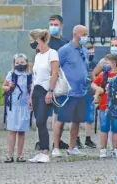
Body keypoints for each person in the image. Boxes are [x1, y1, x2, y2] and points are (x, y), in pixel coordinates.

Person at [52, 25, 89, 157]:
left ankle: (72, 147)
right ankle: (55, 147)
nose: (85, 37)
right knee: (61, 120)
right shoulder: (65, 50)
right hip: (67, 92)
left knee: (77, 121)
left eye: (86, 34)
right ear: (75, 34)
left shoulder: (84, 50)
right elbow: (56, 68)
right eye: (83, 34)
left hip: (81, 91)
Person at [35, 15, 69, 151]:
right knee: (41, 115)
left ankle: (57, 140)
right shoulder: (45, 42)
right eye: (51, 24)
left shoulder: (65, 42)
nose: (53, 27)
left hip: (58, 82)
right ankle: (41, 140)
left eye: (56, 24)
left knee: (58, 114)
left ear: (61, 26)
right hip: (44, 83)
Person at [28, 29, 59, 163]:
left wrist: (50, 91)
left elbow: (54, 73)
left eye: (31, 40)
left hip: (46, 90)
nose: (30, 43)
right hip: (36, 91)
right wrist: (30, 96)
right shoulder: (38, 55)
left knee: (41, 120)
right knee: (38, 122)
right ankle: (41, 151)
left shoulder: (52, 53)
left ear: (37, 40)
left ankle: (45, 151)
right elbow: (35, 77)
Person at [2, 53, 32, 163]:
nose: (20, 64)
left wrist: (31, 101)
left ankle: (20, 155)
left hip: (24, 106)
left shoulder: (29, 76)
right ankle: (10, 154)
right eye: (17, 63)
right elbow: (3, 86)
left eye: (22, 62)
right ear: (14, 64)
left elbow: (31, 90)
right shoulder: (11, 75)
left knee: (22, 131)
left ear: (27, 63)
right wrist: (8, 86)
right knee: (12, 130)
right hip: (13, 106)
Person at [92, 54, 117, 158]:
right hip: (104, 106)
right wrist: (97, 89)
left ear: (114, 63)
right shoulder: (103, 75)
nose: (105, 65)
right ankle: (103, 149)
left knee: (116, 129)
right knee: (104, 128)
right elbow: (94, 83)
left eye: (107, 63)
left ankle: (115, 149)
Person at [76, 43, 97, 149]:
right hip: (80, 93)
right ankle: (76, 139)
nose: (91, 54)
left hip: (90, 93)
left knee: (89, 118)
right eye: (89, 52)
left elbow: (95, 78)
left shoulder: (94, 64)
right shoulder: (79, 63)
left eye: (93, 52)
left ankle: (88, 139)